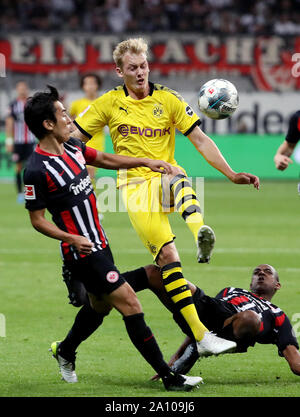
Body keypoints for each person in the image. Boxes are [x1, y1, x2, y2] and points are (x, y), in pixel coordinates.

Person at [71, 37, 259, 354]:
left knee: (177, 174)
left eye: (144, 65)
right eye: (133, 68)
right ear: (119, 71)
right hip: (133, 188)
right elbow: (75, 142)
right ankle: (201, 336)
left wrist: (231, 173)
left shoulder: (169, 99)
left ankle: (200, 230)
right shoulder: (107, 104)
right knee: (168, 261)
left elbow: (199, 139)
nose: (141, 72)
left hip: (164, 178)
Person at [23, 85, 203, 392]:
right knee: (131, 305)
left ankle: (65, 350)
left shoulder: (73, 148)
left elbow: (105, 158)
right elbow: (37, 221)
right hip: (82, 254)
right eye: (62, 113)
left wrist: (145, 162)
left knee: (100, 307)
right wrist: (70, 237)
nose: (70, 117)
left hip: (101, 244)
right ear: (47, 124)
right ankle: (170, 378)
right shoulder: (36, 170)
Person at [151, 264, 300, 378]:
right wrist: (177, 355)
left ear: (277, 285)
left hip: (240, 328)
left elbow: (296, 363)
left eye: (268, 272)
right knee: (161, 275)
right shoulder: (231, 291)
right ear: (250, 284)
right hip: (217, 313)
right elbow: (203, 321)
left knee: (250, 317)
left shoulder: (278, 314)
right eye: (256, 272)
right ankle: (129, 287)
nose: (261, 273)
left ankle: (206, 346)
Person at [69, 73, 104, 185]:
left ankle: (88, 197)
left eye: (93, 83)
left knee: (90, 171)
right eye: (87, 83)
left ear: (97, 85)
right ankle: (87, 196)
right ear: (83, 86)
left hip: (97, 142)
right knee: (81, 172)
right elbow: (70, 120)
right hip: (79, 141)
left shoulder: (103, 103)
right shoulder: (76, 104)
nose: (90, 86)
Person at [5, 80, 36, 203]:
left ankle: (30, 192)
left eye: (24, 88)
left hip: (31, 141)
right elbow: (9, 123)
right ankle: (19, 193)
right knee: (18, 167)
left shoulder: (32, 104)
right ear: (17, 90)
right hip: (18, 142)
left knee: (31, 168)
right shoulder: (13, 105)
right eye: (20, 88)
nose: (22, 90)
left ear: (27, 89)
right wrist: (9, 140)